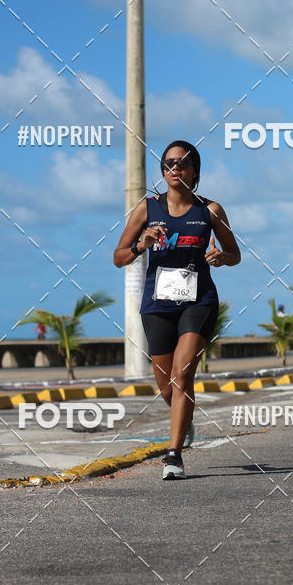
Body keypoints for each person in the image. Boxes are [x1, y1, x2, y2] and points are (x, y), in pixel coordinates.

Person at [114, 140, 241, 479]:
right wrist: (142, 244)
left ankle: (173, 455)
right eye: (169, 163)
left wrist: (221, 257)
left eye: (182, 163)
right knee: (168, 387)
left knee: (183, 375)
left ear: (194, 171)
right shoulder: (148, 208)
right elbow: (119, 257)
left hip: (198, 302)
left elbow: (234, 253)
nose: (175, 168)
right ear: (163, 170)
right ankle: (183, 420)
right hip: (157, 305)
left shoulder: (210, 210)